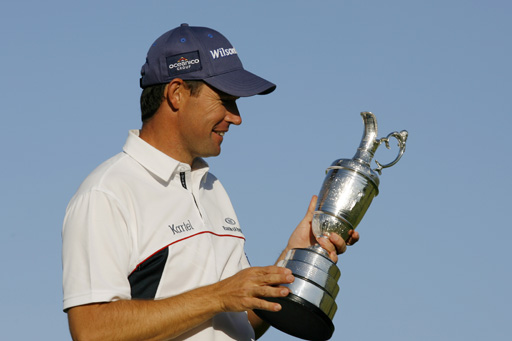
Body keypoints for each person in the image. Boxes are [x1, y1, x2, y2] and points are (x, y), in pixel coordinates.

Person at [62, 23, 359, 340]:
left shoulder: (212, 188)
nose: (236, 116)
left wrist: (296, 255)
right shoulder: (107, 193)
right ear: (176, 93)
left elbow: (238, 322)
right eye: (226, 99)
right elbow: (92, 330)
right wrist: (218, 295)